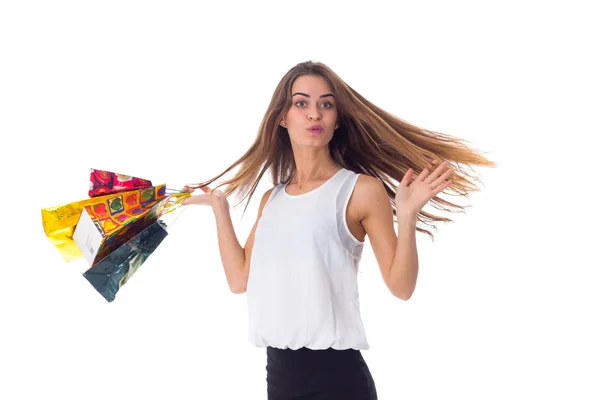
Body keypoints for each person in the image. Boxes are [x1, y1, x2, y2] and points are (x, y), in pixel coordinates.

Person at [180, 61, 495, 399]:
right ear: (282, 117)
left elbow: (401, 288)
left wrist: (406, 216)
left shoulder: (360, 190)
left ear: (337, 119)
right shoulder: (271, 199)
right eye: (301, 103)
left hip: (338, 382)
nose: (314, 113)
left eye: (326, 104)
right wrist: (220, 209)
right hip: (279, 381)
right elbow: (240, 280)